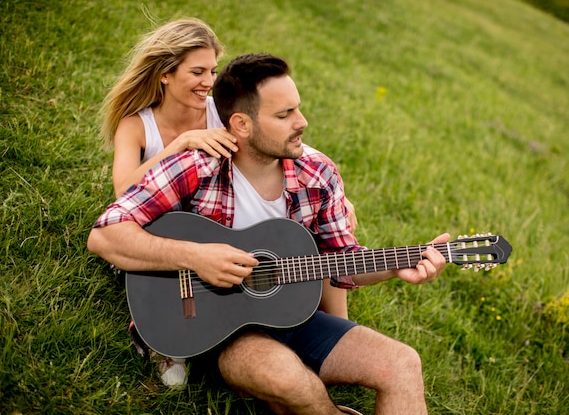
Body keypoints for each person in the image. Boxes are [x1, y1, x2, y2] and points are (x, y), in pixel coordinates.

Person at [88, 53, 449, 414]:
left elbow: (344, 263)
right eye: (284, 115)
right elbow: (105, 234)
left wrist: (398, 266)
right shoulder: (197, 166)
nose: (302, 122)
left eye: (298, 109)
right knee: (286, 378)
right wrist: (196, 257)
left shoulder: (318, 173)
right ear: (241, 124)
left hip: (295, 314)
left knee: (403, 363)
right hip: (222, 329)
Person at [100, 19, 357, 388]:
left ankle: (335, 325)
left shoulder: (217, 111)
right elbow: (124, 189)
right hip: (158, 226)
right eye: (197, 71)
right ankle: (161, 334)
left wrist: (336, 190)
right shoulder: (137, 124)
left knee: (330, 225)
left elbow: (264, 139)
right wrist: (182, 143)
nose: (208, 81)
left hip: (210, 224)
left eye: (213, 70)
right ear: (165, 75)